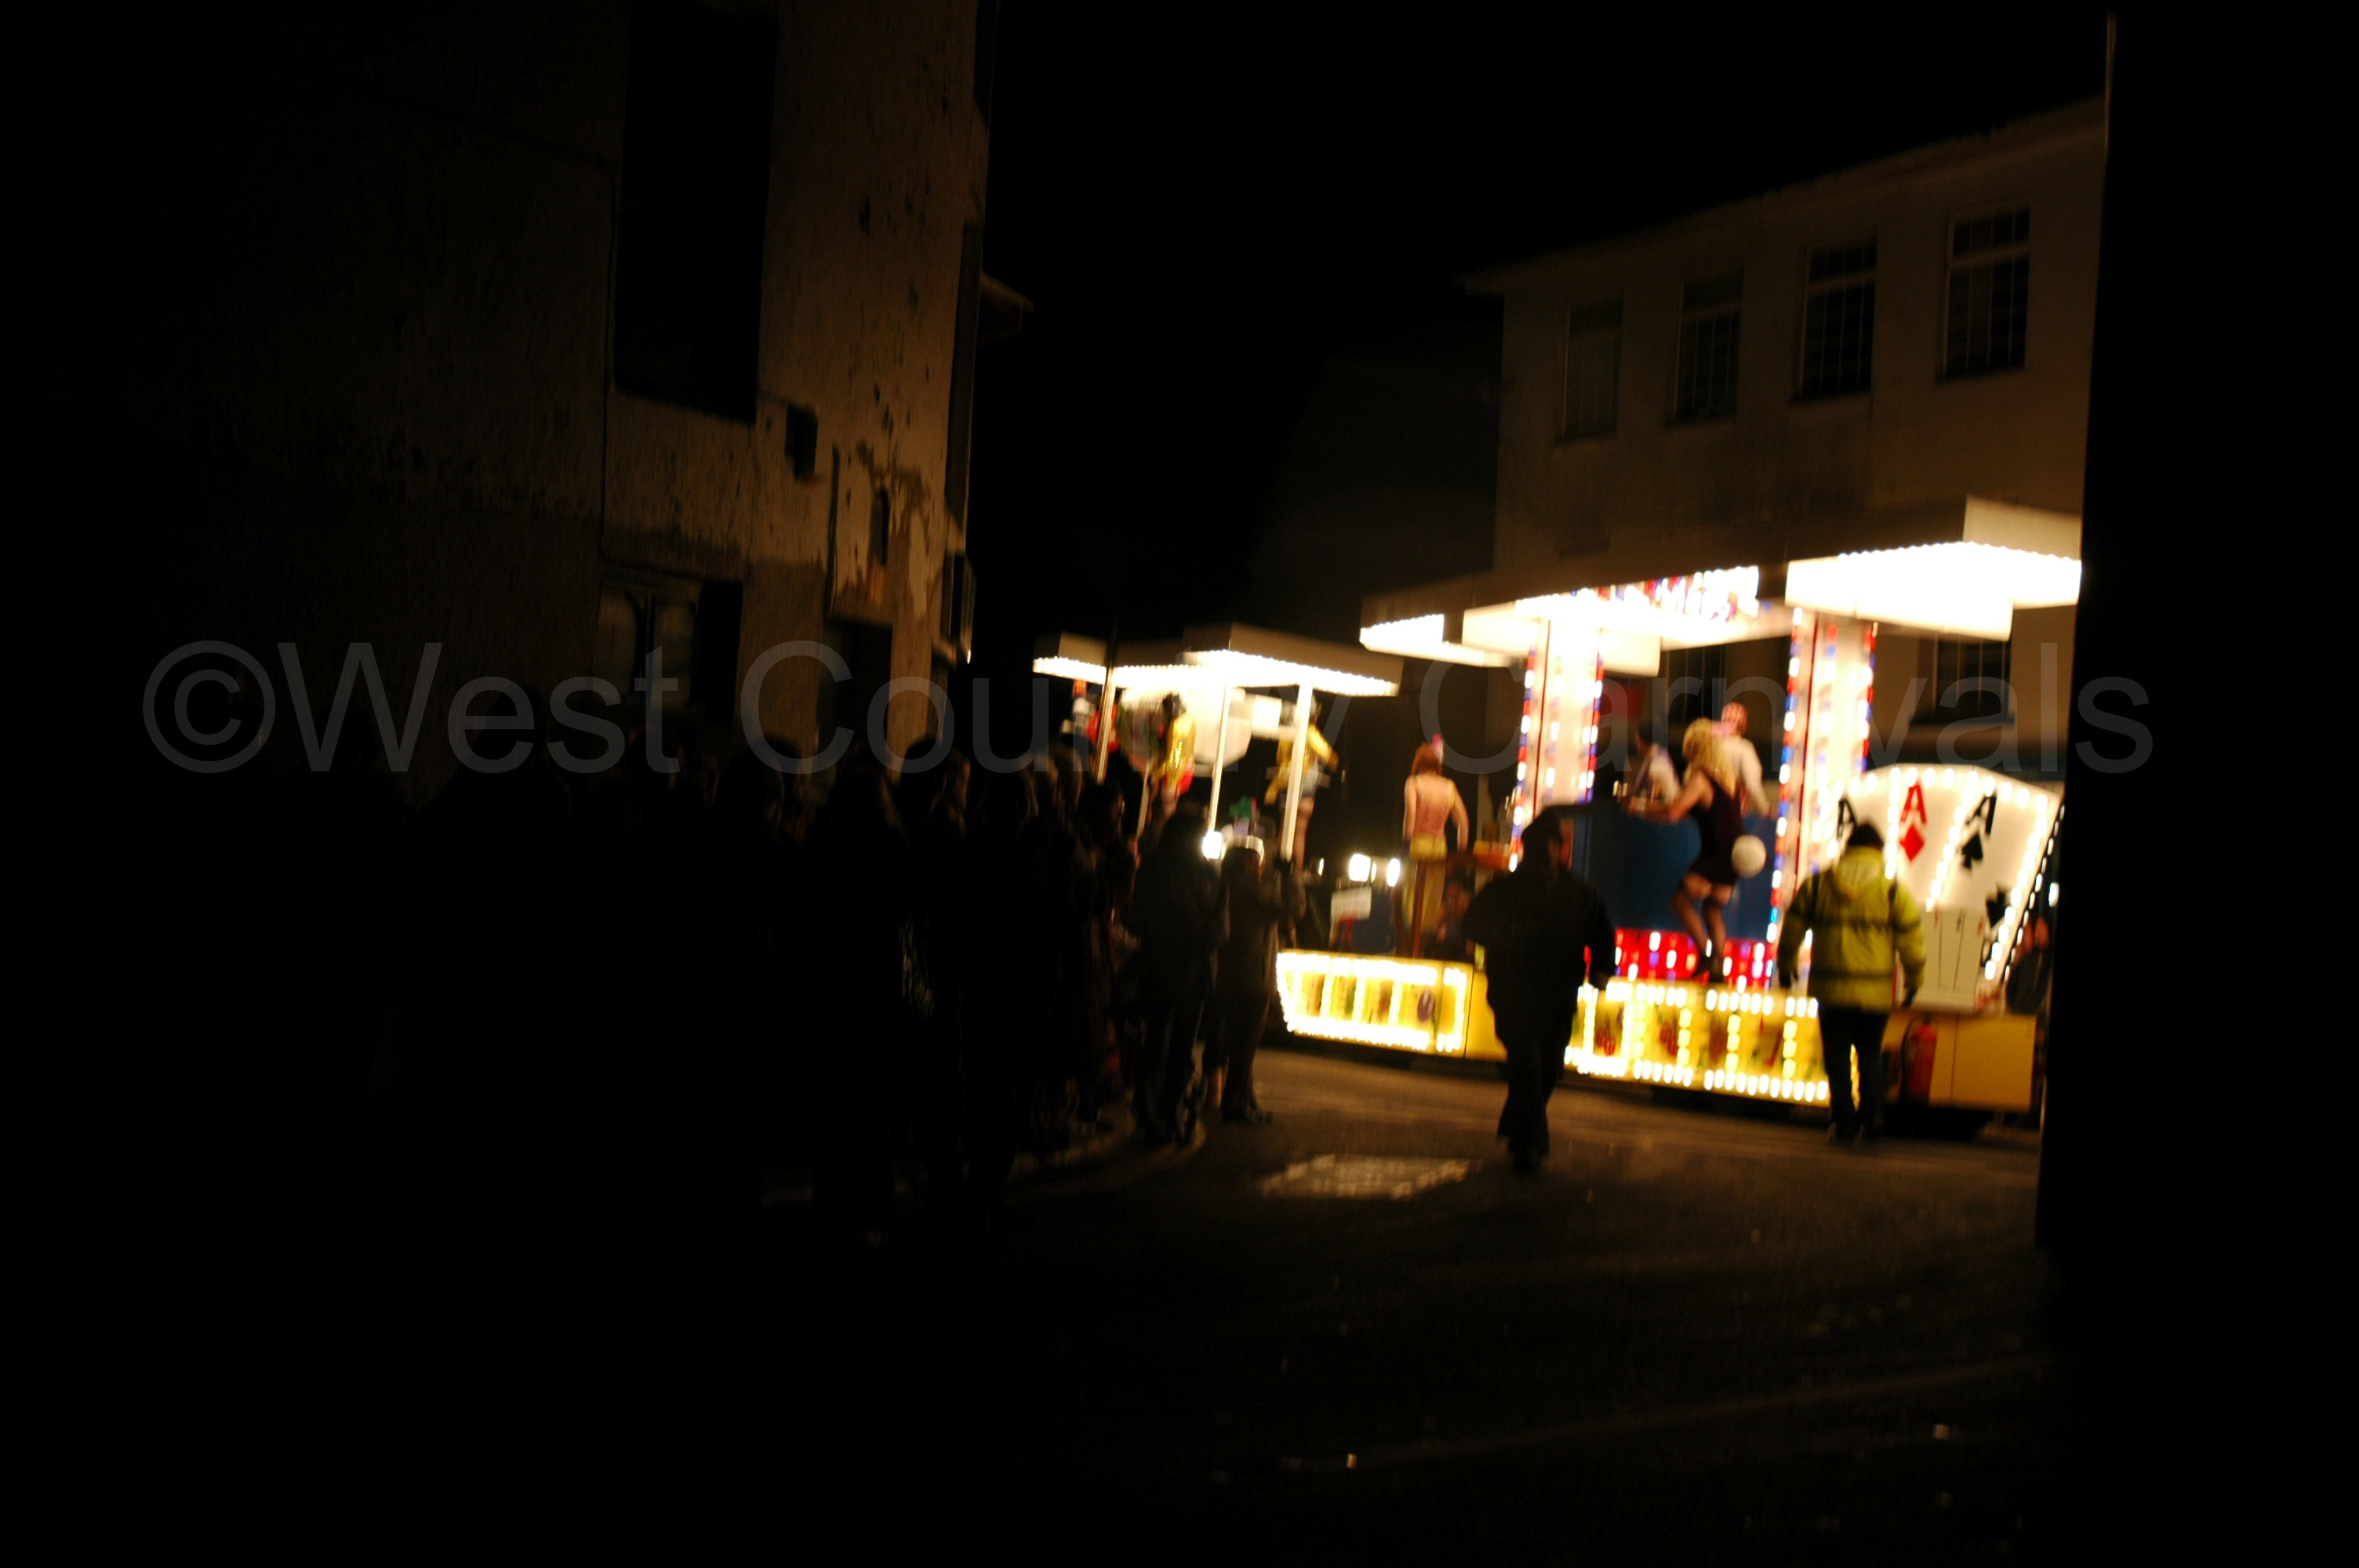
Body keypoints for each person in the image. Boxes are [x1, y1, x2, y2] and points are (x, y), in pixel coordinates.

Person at [1464, 808, 1616, 1173]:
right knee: (1527, 1063)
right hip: (1514, 991)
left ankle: (1518, 1130)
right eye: (1535, 847)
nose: (1541, 854)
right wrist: (1500, 937)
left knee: (1547, 1068)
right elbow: (1472, 923)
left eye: (1547, 846)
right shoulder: (1504, 890)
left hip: (1557, 993)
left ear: (1559, 849)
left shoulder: (1580, 893)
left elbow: (1602, 933)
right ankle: (1532, 1142)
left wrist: (1602, 970)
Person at [1776, 821, 1925, 1147]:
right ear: (1876, 850)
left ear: (1849, 848)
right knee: (1870, 1054)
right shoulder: (1891, 891)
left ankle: (1843, 1122)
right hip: (1874, 993)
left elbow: (1793, 928)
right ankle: (1874, 1119)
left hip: (1831, 991)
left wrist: (1786, 966)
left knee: (1837, 1057)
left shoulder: (1818, 885)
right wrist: (1915, 979)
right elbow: (1912, 939)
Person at [1123, 800, 1226, 1145]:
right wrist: (1196, 932)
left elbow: (1220, 925)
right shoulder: (1166, 871)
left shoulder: (1203, 873)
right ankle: (1158, 1115)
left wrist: (1197, 934)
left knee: (1173, 1047)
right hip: (1171, 969)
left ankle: (1166, 1114)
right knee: (1164, 1045)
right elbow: (1146, 917)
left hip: (1184, 970)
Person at [1636, 719, 1745, 982]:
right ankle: (1718, 970)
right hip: (1734, 855)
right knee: (1711, 908)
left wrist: (1641, 808)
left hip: (1716, 852)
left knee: (1681, 902)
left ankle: (1706, 957)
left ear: (1694, 748)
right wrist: (1647, 809)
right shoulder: (1726, 779)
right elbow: (1687, 811)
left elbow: (1675, 811)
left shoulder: (1701, 778)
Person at [1207, 844, 1302, 1125]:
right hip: (1251, 979)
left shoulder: (1226, 887)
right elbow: (1294, 907)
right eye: (1255, 861)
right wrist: (1290, 876)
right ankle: (1236, 1103)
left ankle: (1245, 1100)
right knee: (1244, 1047)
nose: (1260, 867)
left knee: (1237, 1044)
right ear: (1245, 865)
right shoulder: (1250, 890)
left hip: (1230, 976)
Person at [1401, 738, 1469, 954]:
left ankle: (1412, 950)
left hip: (1418, 847)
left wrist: (1406, 844)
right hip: (1439, 850)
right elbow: (1464, 823)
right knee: (1431, 902)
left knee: (1412, 902)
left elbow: (1411, 815)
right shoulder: (1449, 787)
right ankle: (1424, 949)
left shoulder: (1414, 783)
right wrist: (1460, 854)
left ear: (1419, 762)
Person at [1264, 699, 1340, 870]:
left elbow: (1279, 758)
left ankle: (1278, 871)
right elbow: (1331, 759)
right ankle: (1296, 874)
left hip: (1285, 782)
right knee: (1299, 831)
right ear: (1314, 716)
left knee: (1284, 827)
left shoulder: (1287, 733)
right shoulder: (1311, 732)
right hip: (1305, 786)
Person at [1714, 701, 1776, 815]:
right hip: (1734, 813)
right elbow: (1753, 785)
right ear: (1744, 724)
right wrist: (1766, 810)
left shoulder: (1710, 746)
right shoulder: (1744, 748)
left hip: (1709, 813)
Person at [1622, 721, 1680, 809]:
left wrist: (1637, 804)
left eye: (1638, 739)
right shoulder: (1654, 756)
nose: (1636, 742)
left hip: (1663, 816)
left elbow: (1665, 801)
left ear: (1644, 741)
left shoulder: (1658, 763)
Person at [1427, 875, 1475, 963]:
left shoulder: (1468, 923)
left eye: (1455, 898)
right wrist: (1438, 925)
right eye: (1449, 898)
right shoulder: (1444, 919)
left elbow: (1469, 953)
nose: (1451, 902)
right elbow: (1431, 946)